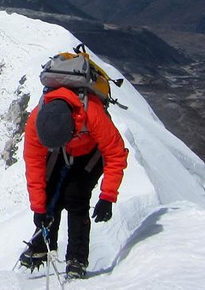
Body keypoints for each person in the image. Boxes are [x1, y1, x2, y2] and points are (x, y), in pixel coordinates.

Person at [20, 87, 128, 279]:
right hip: (61, 151)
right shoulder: (37, 121)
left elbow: (115, 153)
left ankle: (77, 259)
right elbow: (34, 165)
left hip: (91, 151)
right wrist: (38, 208)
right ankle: (42, 246)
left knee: (75, 197)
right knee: (50, 192)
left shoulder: (91, 113)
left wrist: (107, 196)